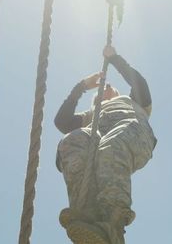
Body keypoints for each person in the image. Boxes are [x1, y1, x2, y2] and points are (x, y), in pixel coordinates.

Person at [54, 46, 157, 244]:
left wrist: (115, 59)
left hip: (133, 133)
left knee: (110, 148)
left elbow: (140, 85)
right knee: (70, 141)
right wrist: (82, 86)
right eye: (103, 91)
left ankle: (112, 227)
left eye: (112, 87)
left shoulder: (130, 101)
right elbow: (61, 122)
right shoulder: (91, 117)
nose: (107, 87)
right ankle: (87, 219)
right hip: (99, 141)